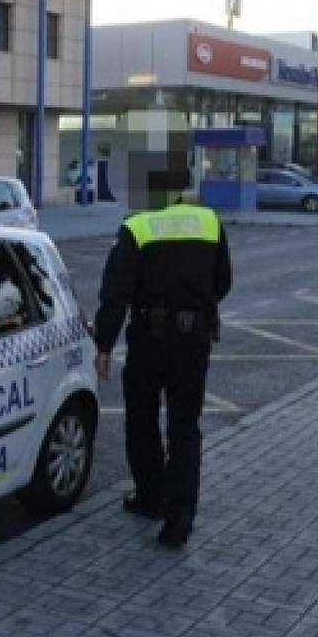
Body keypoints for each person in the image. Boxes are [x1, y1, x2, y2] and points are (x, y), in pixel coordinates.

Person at [92, 196, 232, 548]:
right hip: (193, 340)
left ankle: (150, 498)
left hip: (148, 341)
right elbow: (223, 282)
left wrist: (104, 346)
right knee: (184, 427)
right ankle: (179, 520)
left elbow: (116, 294)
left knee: (142, 419)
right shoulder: (208, 221)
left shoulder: (136, 226)